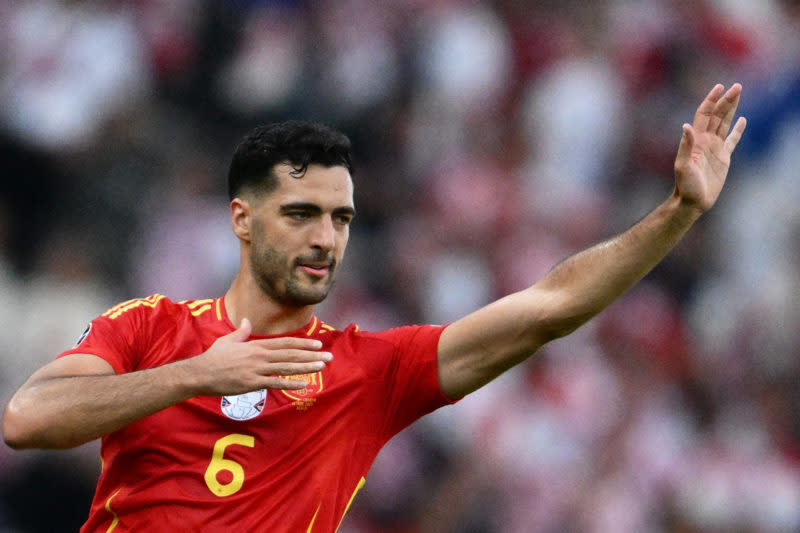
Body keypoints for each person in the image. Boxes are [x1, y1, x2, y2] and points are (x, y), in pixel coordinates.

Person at [2, 83, 747, 532]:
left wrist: (678, 211)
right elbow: (26, 420)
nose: (326, 238)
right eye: (302, 213)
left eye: (342, 218)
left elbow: (549, 305)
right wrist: (194, 374)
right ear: (242, 219)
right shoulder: (149, 325)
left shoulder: (371, 371)